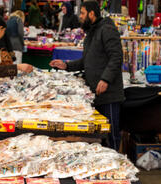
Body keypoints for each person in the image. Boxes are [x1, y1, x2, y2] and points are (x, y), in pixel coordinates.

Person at [50, 1, 124, 151]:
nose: (80, 17)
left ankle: (116, 164)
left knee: (111, 133)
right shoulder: (92, 32)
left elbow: (116, 57)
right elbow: (87, 60)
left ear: (92, 13)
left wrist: (105, 79)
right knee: (99, 135)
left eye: (82, 13)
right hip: (95, 92)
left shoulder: (107, 29)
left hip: (109, 93)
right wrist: (67, 65)